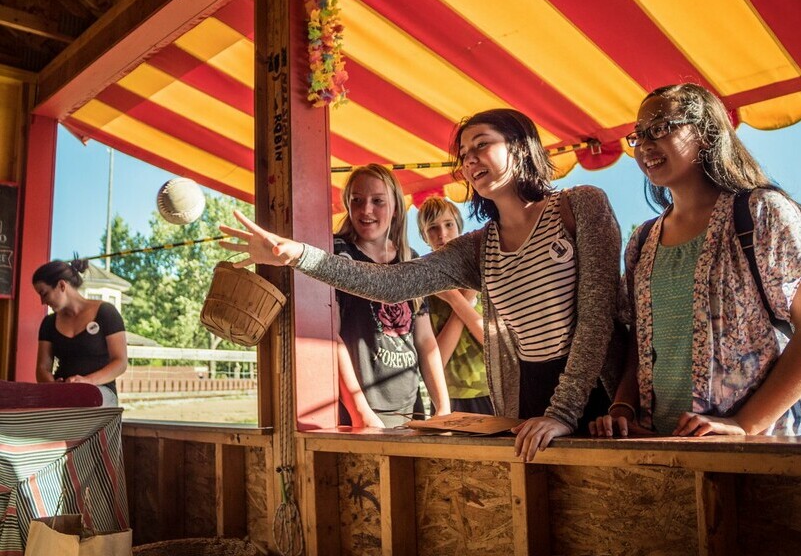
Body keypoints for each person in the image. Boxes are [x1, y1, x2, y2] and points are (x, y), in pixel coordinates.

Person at [220, 109, 622, 461]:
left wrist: (565, 413)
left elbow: (598, 318)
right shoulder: (480, 246)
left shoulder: (580, 205)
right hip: (531, 401)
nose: (470, 159)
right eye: (464, 155)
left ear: (520, 146)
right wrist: (297, 255)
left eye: (481, 145)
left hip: (600, 396)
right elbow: (394, 284)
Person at [590, 83, 801, 438]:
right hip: (659, 447)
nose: (645, 145)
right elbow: (640, 344)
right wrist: (623, 407)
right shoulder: (641, 242)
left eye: (660, 127)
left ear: (705, 132)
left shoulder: (760, 213)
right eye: (638, 135)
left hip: (755, 454)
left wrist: (743, 423)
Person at [332, 164, 450, 428]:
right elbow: (332, 337)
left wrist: (442, 407)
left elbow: (424, 338)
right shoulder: (338, 254)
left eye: (378, 201)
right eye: (357, 201)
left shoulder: (411, 260)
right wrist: (360, 411)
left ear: (396, 207)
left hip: (411, 407)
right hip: (361, 410)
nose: (366, 210)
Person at [417, 196, 492, 415]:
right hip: (447, 397)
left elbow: (493, 343)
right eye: (433, 228)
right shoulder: (423, 285)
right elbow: (435, 357)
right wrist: (462, 300)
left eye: (448, 224)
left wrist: (455, 300)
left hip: (491, 390)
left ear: (459, 227)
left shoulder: (482, 272)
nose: (442, 234)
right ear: (424, 235)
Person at [33, 259, 128, 406]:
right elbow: (42, 368)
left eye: (44, 294)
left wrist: (87, 382)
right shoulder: (48, 323)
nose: (42, 302)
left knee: (84, 400)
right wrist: (51, 385)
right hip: (63, 393)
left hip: (100, 390)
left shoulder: (106, 312)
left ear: (61, 285)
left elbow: (120, 362)